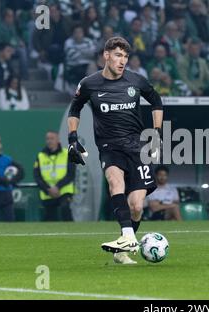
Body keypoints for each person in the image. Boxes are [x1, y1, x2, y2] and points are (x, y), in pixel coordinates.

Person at [67, 36, 163, 265]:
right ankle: (129, 236)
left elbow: (156, 101)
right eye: (118, 55)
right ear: (106, 55)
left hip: (137, 146)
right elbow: (75, 108)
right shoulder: (89, 83)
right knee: (115, 182)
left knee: (137, 206)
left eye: (126, 57)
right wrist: (72, 137)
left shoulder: (136, 81)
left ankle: (122, 249)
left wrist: (157, 131)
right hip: (109, 146)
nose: (122, 61)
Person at [34, 131, 75, 221]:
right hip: (47, 192)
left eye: (52, 138)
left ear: (58, 140)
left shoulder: (67, 154)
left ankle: (71, 232)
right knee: (49, 218)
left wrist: (57, 187)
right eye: (47, 139)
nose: (49, 141)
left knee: (65, 210)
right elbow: (37, 176)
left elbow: (71, 174)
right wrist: (48, 188)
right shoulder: (41, 156)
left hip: (64, 190)